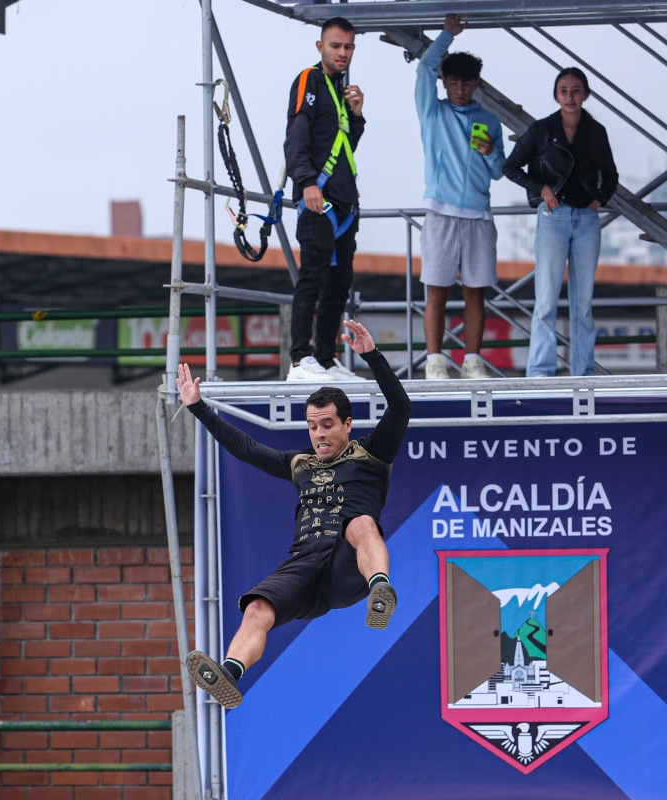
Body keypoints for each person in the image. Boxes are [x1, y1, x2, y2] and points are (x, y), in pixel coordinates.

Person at [179, 319, 411, 709]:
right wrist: (198, 408)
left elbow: (401, 406)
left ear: (347, 424)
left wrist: (372, 356)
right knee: (256, 608)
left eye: (327, 425)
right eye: (312, 426)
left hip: (348, 566)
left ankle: (380, 591)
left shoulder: (372, 454)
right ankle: (230, 674)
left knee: (361, 523)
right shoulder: (299, 463)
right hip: (305, 562)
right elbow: (246, 448)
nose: (319, 434)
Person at [503, 67, 617, 378]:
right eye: (564, 90)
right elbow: (510, 166)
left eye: (576, 90)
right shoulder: (541, 130)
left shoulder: (596, 131)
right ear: (556, 95)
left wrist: (599, 200)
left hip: (587, 220)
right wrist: (541, 189)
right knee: (546, 298)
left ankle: (584, 371)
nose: (570, 96)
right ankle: (540, 371)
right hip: (553, 217)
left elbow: (611, 175)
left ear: (586, 94)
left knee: (583, 303)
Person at [415, 13, 506, 380]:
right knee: (436, 290)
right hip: (439, 211)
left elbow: (499, 170)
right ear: (445, 82)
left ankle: (472, 361)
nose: (460, 89)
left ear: (476, 84)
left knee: (475, 292)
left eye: (467, 83)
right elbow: (423, 71)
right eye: (454, 82)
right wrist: (446, 36)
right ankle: (435, 361)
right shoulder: (432, 112)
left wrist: (489, 153)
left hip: (478, 215)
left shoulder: (490, 119)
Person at [283, 17, 366, 383]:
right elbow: (296, 136)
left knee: (338, 283)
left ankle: (326, 358)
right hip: (318, 198)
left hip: (344, 202)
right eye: (336, 46)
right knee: (313, 277)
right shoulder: (310, 80)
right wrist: (305, 183)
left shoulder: (341, 89)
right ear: (320, 47)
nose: (342, 53)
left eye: (348, 47)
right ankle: (300, 358)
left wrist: (357, 116)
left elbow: (346, 146)